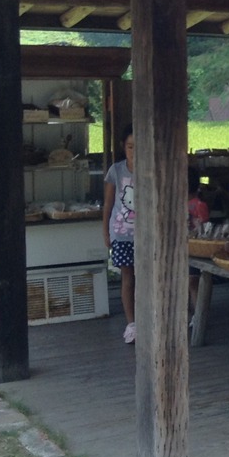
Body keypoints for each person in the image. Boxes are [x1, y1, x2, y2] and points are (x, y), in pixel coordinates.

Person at [104, 125, 136, 345]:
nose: (134, 151)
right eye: (130, 146)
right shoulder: (116, 171)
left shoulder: (151, 169)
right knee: (127, 277)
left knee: (146, 278)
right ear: (123, 147)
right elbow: (108, 204)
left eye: (138, 147)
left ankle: (148, 318)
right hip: (122, 233)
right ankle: (131, 324)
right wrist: (105, 231)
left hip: (147, 235)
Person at [187, 168, 209, 310]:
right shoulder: (200, 204)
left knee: (192, 282)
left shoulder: (199, 205)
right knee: (189, 283)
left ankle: (196, 314)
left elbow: (204, 228)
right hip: (189, 248)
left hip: (193, 248)